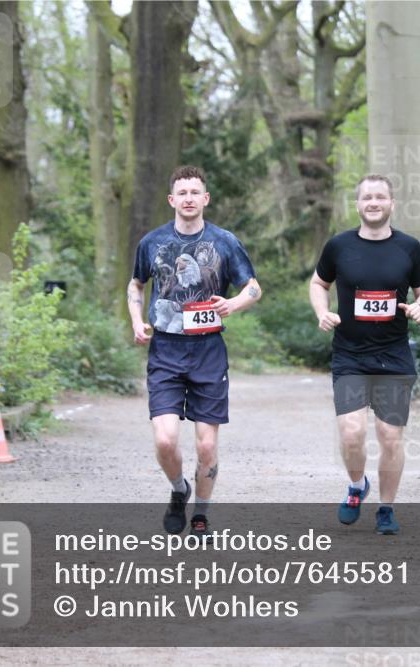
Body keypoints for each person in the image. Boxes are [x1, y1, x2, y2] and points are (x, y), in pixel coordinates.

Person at [128, 165, 261, 537]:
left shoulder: (224, 242)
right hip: (166, 350)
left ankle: (201, 512)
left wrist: (233, 304)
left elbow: (253, 287)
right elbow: (136, 285)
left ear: (206, 199)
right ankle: (178, 490)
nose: (188, 199)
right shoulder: (152, 243)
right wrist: (137, 320)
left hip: (208, 352)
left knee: (205, 445)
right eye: (181, 193)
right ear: (172, 200)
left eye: (194, 192)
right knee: (166, 439)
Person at [309, 174, 420, 535]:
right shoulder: (339, 246)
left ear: (391, 203)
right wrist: (322, 312)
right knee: (351, 433)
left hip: (393, 356)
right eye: (367, 198)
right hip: (349, 354)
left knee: (389, 435)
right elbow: (319, 282)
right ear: (359, 204)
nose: (374, 203)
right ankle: (355, 486)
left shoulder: (409, 247)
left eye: (380, 197)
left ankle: (386, 508)